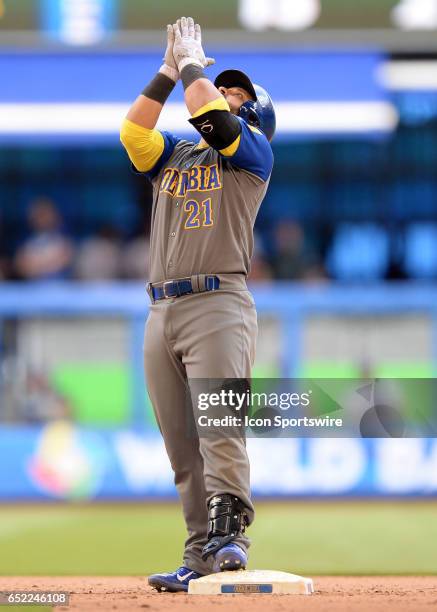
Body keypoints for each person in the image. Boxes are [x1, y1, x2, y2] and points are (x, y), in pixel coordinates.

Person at [120, 16, 275, 592]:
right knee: (182, 444)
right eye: (223, 89)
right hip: (161, 309)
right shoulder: (177, 156)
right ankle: (198, 556)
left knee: (219, 426)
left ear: (254, 117)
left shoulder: (251, 157)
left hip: (218, 302)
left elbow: (210, 115)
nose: (223, 98)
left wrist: (190, 64)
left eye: (237, 97)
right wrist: (166, 71)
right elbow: (133, 135)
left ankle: (231, 535)